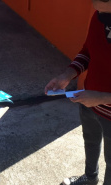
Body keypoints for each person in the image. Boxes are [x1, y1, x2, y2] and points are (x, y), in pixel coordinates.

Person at [45, 0, 111, 185]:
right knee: (90, 143)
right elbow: (88, 51)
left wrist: (102, 98)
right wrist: (67, 75)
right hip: (89, 103)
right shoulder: (99, 16)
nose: (93, 3)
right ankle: (91, 178)